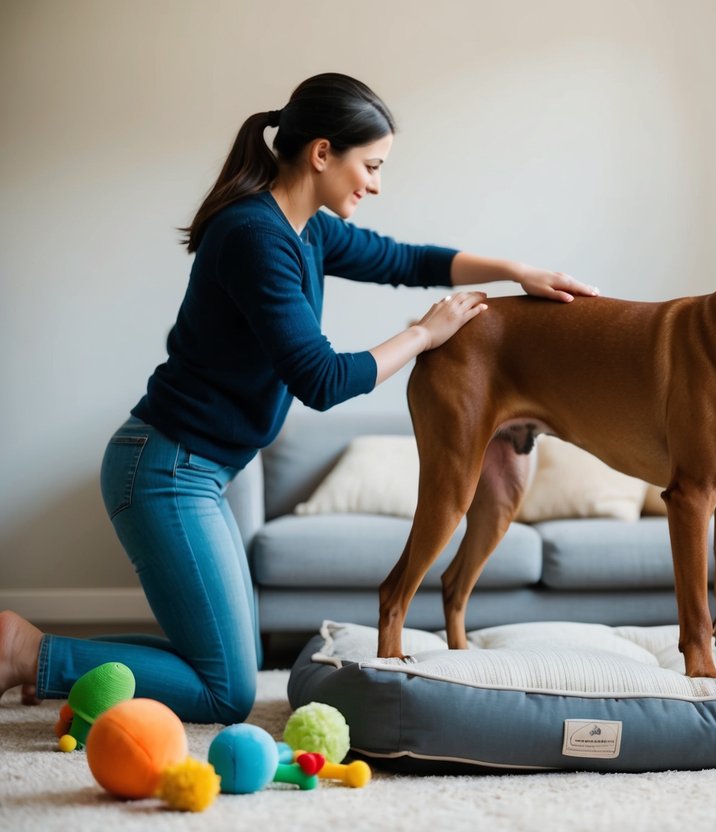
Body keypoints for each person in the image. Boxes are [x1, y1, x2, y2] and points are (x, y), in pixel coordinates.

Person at [0, 73, 597, 723]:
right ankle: (27, 654)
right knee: (227, 693)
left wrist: (515, 271)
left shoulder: (306, 229)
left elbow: (404, 260)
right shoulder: (255, 236)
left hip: (190, 469)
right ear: (321, 154)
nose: (375, 183)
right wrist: (425, 335)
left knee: (222, 663)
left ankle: (46, 659)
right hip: (165, 470)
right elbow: (321, 379)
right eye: (369, 165)